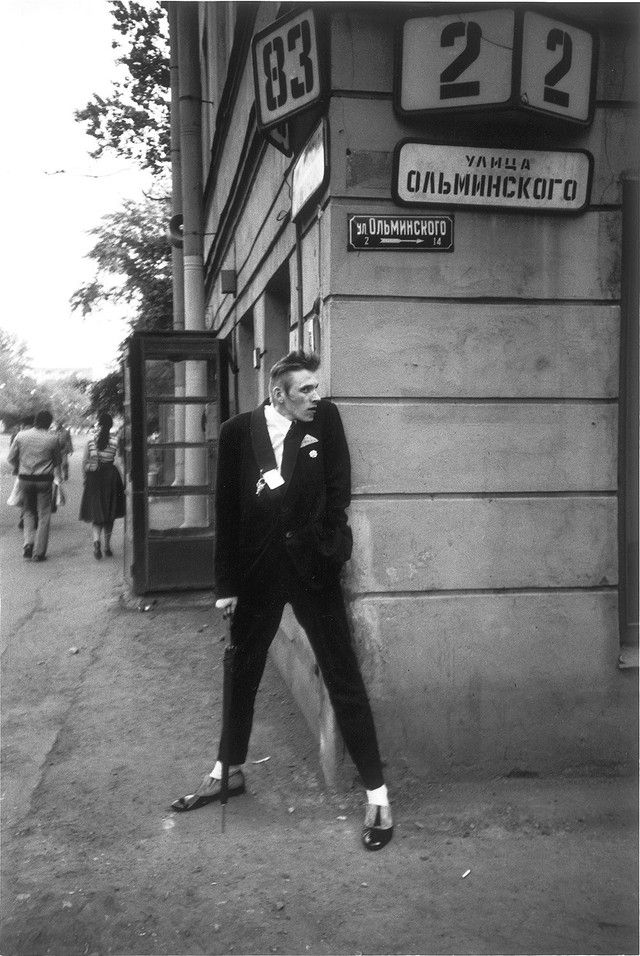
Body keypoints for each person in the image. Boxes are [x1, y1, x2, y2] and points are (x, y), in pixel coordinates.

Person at [171, 351, 393, 851]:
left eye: (317, 387)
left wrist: (333, 548)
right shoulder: (236, 433)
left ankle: (377, 794)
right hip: (257, 574)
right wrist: (225, 585)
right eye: (306, 390)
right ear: (278, 395)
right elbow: (226, 510)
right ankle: (226, 769)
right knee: (242, 671)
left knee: (343, 676)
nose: (317, 397)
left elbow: (340, 491)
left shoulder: (326, 420)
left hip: (312, 570)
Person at [7, 409, 63, 561]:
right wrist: (59, 479)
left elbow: (11, 458)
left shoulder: (21, 436)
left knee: (28, 512)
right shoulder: (53, 438)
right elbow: (58, 462)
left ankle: (27, 544)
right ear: (49, 423)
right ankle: (39, 552)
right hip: (44, 480)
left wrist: (19, 467)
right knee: (44, 514)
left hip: (25, 478)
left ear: (35, 421)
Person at [79, 412, 125, 559]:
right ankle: (107, 547)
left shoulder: (91, 442)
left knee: (97, 512)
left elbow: (85, 461)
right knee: (109, 513)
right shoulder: (115, 441)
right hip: (111, 477)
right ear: (111, 425)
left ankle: (96, 542)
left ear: (98, 424)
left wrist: (85, 478)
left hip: (94, 478)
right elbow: (120, 462)